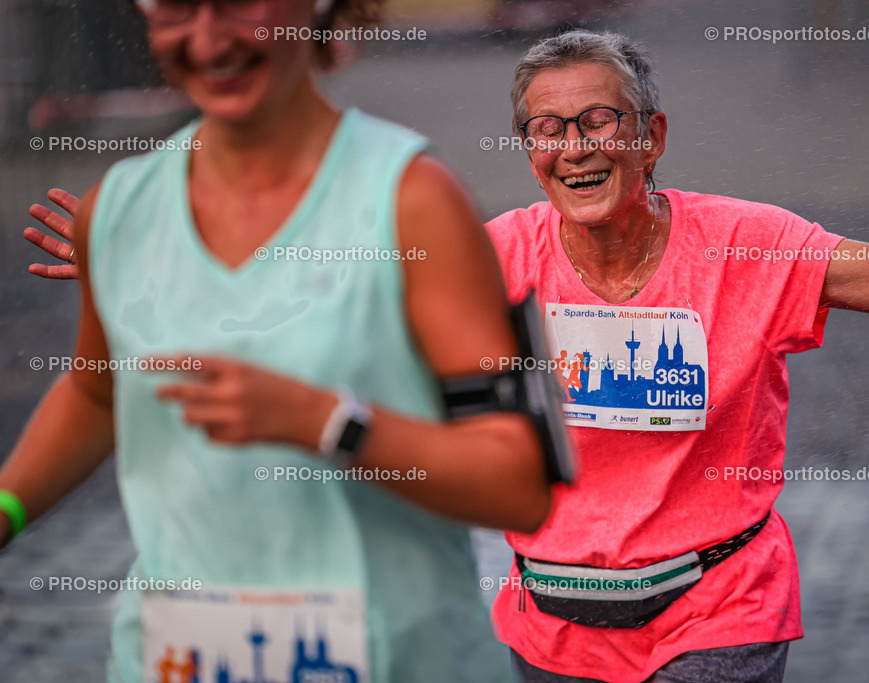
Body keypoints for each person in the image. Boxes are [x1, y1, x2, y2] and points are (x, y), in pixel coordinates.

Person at [21, 28, 869, 683]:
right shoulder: (492, 254)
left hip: (717, 607)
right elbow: (307, 306)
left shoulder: (745, 240)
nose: (575, 146)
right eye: (547, 129)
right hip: (548, 622)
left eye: (599, 120)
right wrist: (146, 268)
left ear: (650, 136)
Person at [1, 1, 555, 682]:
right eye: (176, 6)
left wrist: (330, 423)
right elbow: (95, 390)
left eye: (238, 4)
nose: (208, 41)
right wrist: (6, 505)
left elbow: (517, 483)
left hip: (400, 656)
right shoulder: (119, 208)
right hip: (177, 660)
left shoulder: (410, 199)